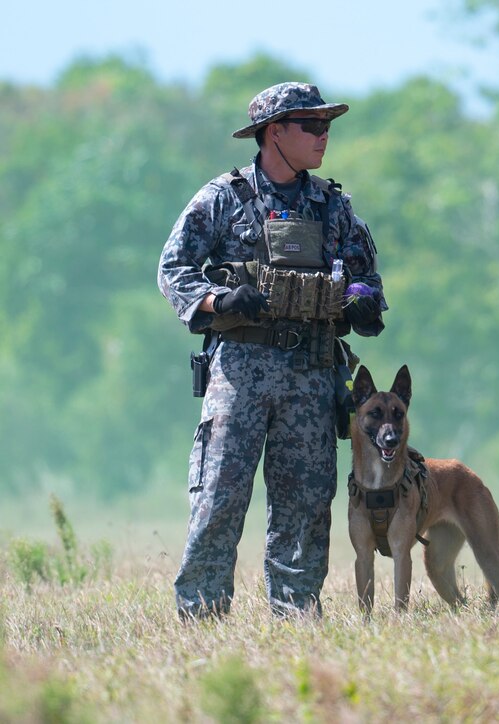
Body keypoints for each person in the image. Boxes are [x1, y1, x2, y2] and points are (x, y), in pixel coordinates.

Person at [158, 82, 386, 619]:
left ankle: (296, 616)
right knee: (219, 498)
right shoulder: (223, 199)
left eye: (327, 125)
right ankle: (200, 617)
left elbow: (366, 279)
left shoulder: (333, 207)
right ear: (274, 132)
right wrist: (217, 299)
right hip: (239, 371)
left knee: (306, 507)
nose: (323, 135)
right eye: (311, 125)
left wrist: (359, 301)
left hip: (311, 373)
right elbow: (173, 269)